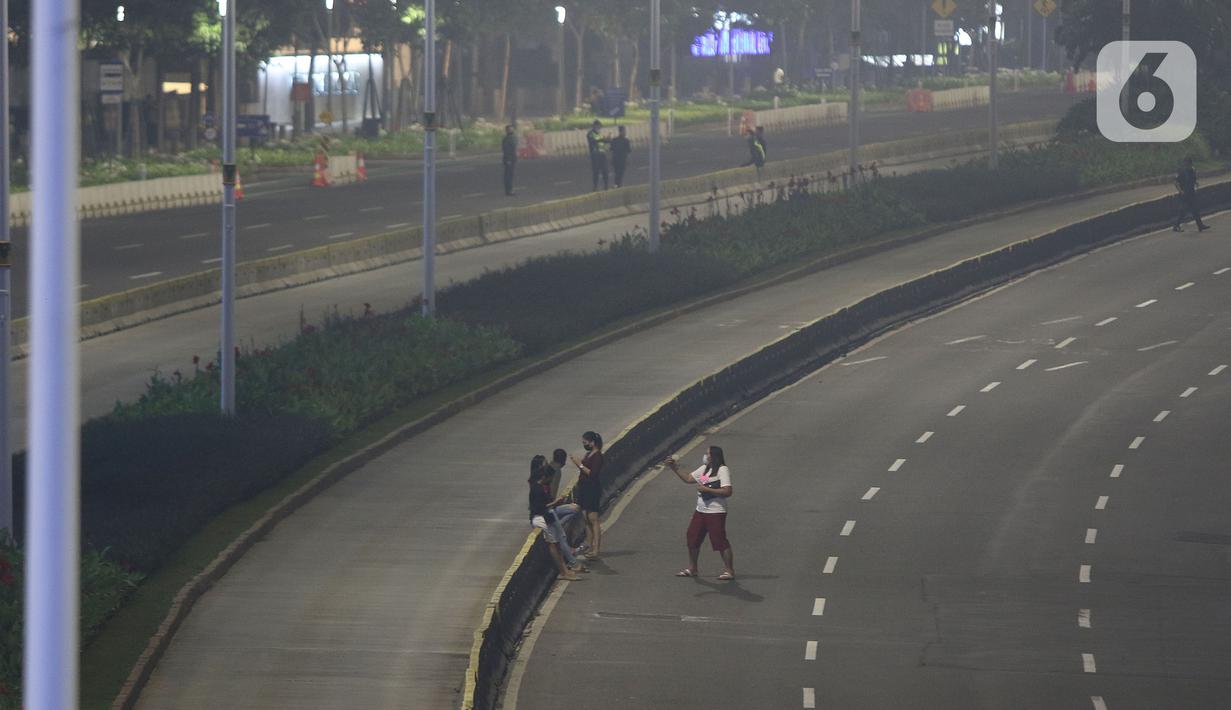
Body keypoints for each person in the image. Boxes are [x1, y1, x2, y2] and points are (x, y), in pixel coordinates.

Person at [665, 445, 734, 580]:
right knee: (693, 537)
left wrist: (708, 490)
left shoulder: (722, 470)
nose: (705, 456)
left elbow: (727, 491)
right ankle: (693, 568)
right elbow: (689, 479)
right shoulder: (706, 470)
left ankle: (729, 570)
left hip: (715, 511)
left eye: (707, 454)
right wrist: (674, 467)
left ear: (714, 456)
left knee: (719, 540)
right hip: (701, 510)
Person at [532, 454, 589, 573]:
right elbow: (540, 507)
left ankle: (569, 563)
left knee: (561, 535)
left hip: (549, 512)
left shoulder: (542, 484)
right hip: (544, 515)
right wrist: (555, 502)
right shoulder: (537, 487)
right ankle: (571, 564)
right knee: (557, 540)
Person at [570, 431, 604, 560]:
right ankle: (589, 544)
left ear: (592, 442)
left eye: (585, 443)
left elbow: (593, 473)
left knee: (593, 518)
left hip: (592, 489)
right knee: (585, 518)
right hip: (584, 488)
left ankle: (596, 548)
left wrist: (579, 464)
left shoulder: (598, 456)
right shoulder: (589, 454)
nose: (584, 445)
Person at [1173, 156, 1210, 233]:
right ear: (1185, 164)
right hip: (1185, 194)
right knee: (1183, 211)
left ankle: (1200, 226)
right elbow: (1176, 182)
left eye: (1189, 164)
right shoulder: (1181, 171)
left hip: (1191, 193)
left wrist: (1196, 183)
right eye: (1187, 164)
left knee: (1195, 210)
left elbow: (1193, 179)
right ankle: (1176, 226)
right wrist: (1180, 191)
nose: (1188, 166)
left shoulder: (1192, 170)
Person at [586, 120, 609, 192]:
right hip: (595, 155)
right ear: (595, 126)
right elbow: (592, 141)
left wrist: (607, 140)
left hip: (602, 154)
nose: (599, 128)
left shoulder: (600, 134)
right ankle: (595, 187)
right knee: (596, 171)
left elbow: (603, 141)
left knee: (605, 171)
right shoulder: (590, 134)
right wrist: (602, 140)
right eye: (598, 126)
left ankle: (606, 186)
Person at [501, 124, 518, 196]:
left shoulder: (513, 137)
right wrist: (508, 160)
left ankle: (510, 189)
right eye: (510, 129)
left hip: (512, 158)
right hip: (509, 159)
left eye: (512, 128)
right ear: (507, 130)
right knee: (508, 175)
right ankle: (508, 190)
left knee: (511, 175)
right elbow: (506, 150)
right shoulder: (507, 139)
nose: (512, 130)